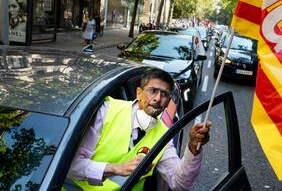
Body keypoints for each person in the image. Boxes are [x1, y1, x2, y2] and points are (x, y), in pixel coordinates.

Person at [67, 68, 211, 190]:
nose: (157, 98)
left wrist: (193, 147)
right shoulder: (107, 111)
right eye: (152, 91)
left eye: (164, 94)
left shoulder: (163, 135)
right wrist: (117, 168)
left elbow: (179, 183)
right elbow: (70, 166)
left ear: (168, 102)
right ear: (139, 93)